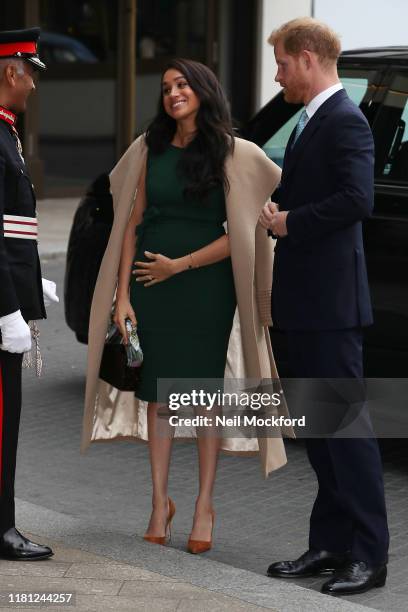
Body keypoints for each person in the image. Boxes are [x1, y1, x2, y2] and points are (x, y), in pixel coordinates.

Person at [82, 58, 294, 553]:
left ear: (203, 90)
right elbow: (129, 225)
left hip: (205, 286)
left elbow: (243, 233)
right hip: (149, 286)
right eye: (166, 87)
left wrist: (181, 265)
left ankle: (203, 504)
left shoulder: (232, 153)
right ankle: (159, 503)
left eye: (182, 85)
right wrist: (123, 297)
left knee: (200, 398)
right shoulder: (147, 148)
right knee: (160, 396)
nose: (173, 93)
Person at [260, 18, 389, 595]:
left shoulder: (345, 120)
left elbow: (357, 199)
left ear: (308, 58)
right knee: (320, 428)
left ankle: (368, 555)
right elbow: (314, 190)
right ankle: (329, 544)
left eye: (283, 64)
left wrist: (290, 222)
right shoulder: (314, 119)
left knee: (348, 434)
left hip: (332, 307)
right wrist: (275, 205)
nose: (279, 74)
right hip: (306, 303)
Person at [0, 28, 58, 560]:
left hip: (10, 289)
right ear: (10, 72)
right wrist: (5, 309)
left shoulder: (6, 131)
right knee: (2, 422)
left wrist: (30, 277)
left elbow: (14, 225)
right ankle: (2, 528)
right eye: (31, 73)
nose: (34, 85)